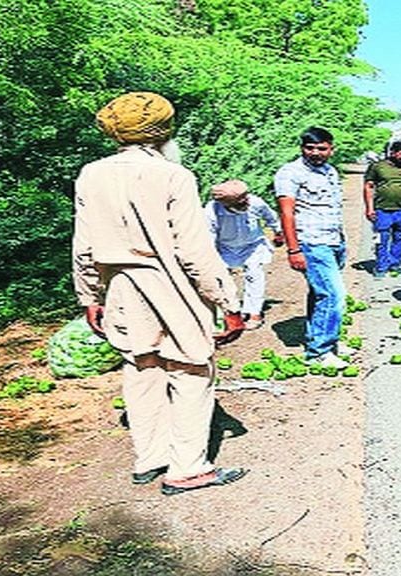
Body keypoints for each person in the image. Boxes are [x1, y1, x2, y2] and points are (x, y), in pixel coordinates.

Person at [73, 91, 247, 496]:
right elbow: (193, 249)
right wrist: (228, 301)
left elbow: (83, 244)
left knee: (141, 366)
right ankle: (187, 469)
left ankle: (149, 458)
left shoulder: (92, 173)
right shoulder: (173, 175)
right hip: (171, 286)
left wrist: (89, 295)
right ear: (163, 130)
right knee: (191, 369)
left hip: (119, 286)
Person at [274, 127, 348, 368]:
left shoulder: (330, 171)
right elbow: (286, 212)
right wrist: (293, 249)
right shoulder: (290, 172)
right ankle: (318, 353)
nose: (316, 153)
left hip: (334, 239)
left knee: (320, 293)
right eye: (310, 148)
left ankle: (322, 339)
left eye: (322, 148)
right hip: (312, 242)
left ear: (331, 149)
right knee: (333, 295)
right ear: (302, 148)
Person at [204, 179, 284, 330]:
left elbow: (270, 217)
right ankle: (229, 313)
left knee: (254, 275)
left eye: (245, 197)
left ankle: (254, 313)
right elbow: (210, 235)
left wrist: (278, 232)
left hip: (253, 245)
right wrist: (212, 258)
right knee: (222, 280)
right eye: (239, 201)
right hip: (225, 248)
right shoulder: (212, 210)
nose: (245, 202)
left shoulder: (255, 203)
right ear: (225, 203)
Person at [363, 140, 401, 277]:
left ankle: (395, 264)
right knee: (381, 239)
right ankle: (381, 266)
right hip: (382, 210)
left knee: (400, 238)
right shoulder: (377, 167)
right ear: (393, 153)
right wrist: (369, 208)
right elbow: (369, 187)